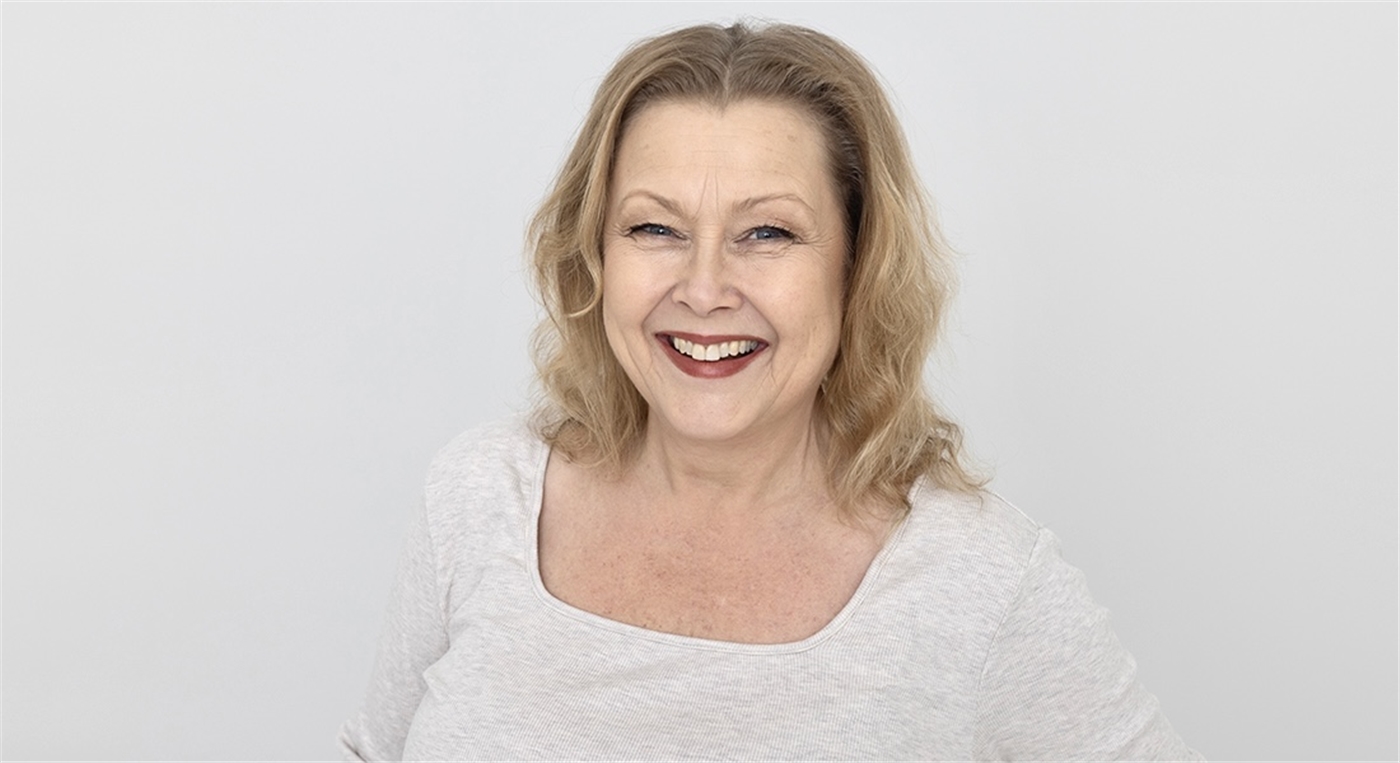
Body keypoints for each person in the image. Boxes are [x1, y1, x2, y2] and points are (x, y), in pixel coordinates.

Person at [340, 21, 1201, 761]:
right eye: (654, 226)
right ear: (594, 254)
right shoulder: (477, 501)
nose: (704, 287)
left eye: (768, 232)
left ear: (857, 266)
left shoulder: (983, 581)